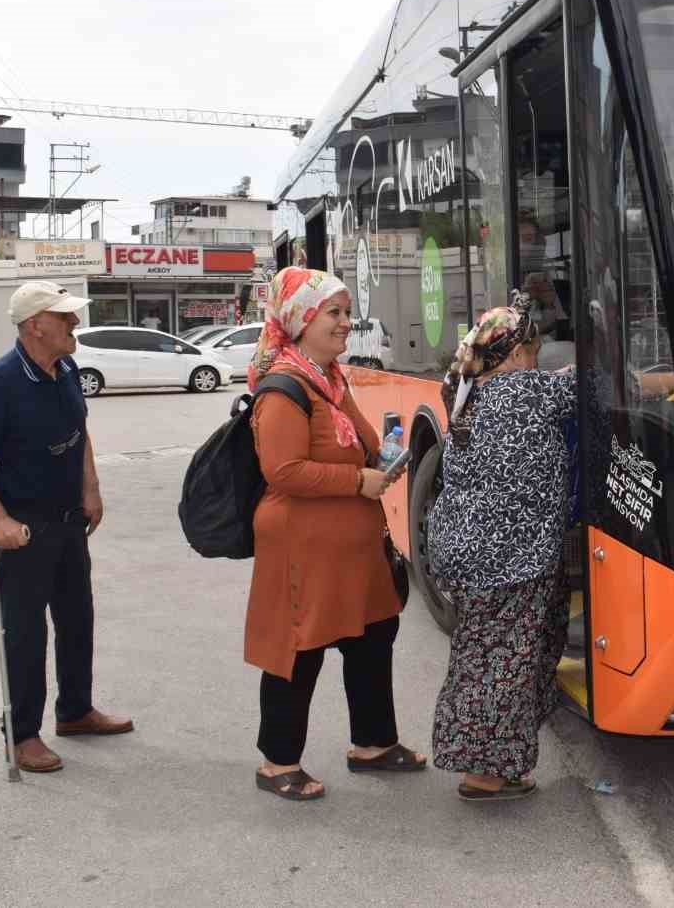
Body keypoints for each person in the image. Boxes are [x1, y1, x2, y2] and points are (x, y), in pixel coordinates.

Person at [245, 267, 424, 803]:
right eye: (335, 314)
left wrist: (383, 456)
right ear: (302, 320)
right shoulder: (284, 387)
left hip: (352, 549)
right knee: (299, 651)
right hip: (302, 547)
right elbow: (283, 472)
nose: (347, 324)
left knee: (373, 637)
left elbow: (361, 445)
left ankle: (372, 743)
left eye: (348, 313)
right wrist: (358, 479)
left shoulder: (329, 380)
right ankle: (278, 761)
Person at [0, 282, 133, 775]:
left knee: (78, 620)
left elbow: (81, 433)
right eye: (65, 317)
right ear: (36, 325)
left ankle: (75, 711)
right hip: (25, 527)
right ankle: (24, 735)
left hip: (69, 520)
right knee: (26, 633)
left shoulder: (68, 369)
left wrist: (91, 488)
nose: (75, 324)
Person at [426, 293, 575, 802]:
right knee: (504, 664)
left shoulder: (469, 394)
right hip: (512, 557)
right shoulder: (525, 391)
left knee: (482, 655)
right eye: (533, 350)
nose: (537, 360)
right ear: (515, 354)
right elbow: (605, 385)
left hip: (467, 552)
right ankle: (485, 775)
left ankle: (494, 767)